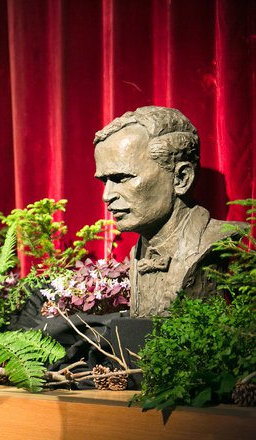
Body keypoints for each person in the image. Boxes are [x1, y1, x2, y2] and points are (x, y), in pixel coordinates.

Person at [93, 105, 248, 318]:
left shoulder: (215, 241)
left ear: (181, 178)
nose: (107, 195)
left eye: (122, 178)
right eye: (104, 181)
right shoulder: (138, 254)